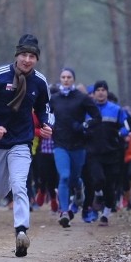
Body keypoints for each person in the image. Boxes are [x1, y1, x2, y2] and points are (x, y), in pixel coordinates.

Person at [0, 34, 53, 257]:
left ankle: (21, 232)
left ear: (36, 59)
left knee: (20, 184)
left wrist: (47, 124)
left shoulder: (39, 81)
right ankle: (6, 187)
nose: (27, 60)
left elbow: (45, 107)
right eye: (23, 55)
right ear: (16, 56)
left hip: (22, 140)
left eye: (32, 56)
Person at [50, 68, 101, 228]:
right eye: (63, 77)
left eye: (69, 77)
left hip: (78, 145)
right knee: (64, 177)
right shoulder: (54, 99)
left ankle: (79, 187)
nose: (66, 80)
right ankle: (64, 212)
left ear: (73, 79)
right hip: (60, 144)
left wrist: (84, 125)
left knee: (74, 178)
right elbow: (44, 116)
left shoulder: (82, 98)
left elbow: (97, 117)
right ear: (60, 79)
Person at [81, 81, 131, 226]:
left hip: (112, 152)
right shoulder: (88, 110)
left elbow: (128, 126)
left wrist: (122, 132)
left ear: (107, 92)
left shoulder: (116, 110)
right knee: (98, 179)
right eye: (98, 89)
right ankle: (98, 195)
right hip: (93, 152)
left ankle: (105, 214)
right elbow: (81, 125)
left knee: (110, 186)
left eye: (103, 90)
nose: (100, 92)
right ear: (94, 93)